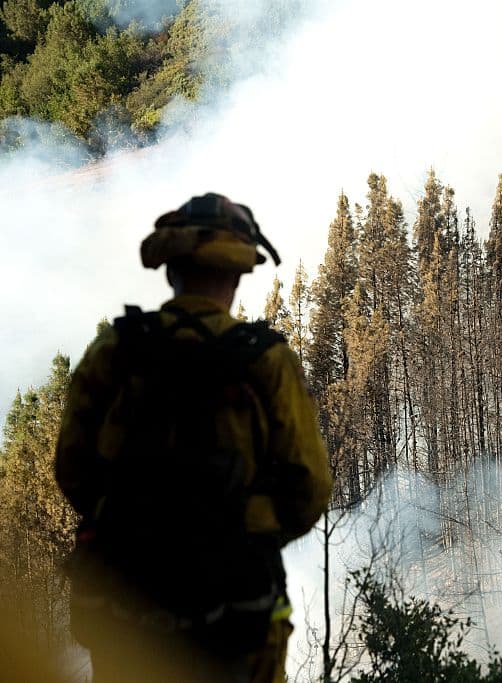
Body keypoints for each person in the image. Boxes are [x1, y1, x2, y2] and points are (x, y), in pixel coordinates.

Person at [55, 193, 331, 683]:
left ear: (170, 270)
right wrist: (240, 531)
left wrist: (136, 522)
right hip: (239, 619)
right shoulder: (266, 363)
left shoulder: (116, 350)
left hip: (124, 612)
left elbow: (73, 470)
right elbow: (308, 492)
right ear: (238, 273)